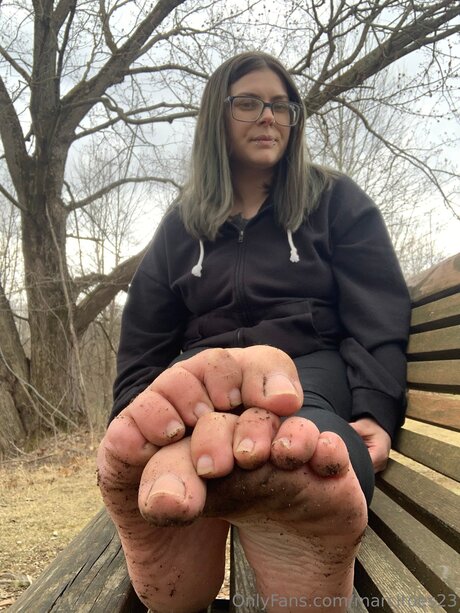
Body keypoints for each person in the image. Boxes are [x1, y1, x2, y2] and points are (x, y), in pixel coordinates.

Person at [97, 51, 411, 612]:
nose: (268, 116)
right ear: (216, 117)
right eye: (248, 103)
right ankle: (184, 535)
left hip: (305, 364)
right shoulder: (183, 224)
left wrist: (375, 408)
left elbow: (377, 310)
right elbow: (145, 333)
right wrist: (137, 418)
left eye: (281, 106)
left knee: (313, 431)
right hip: (205, 372)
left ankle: (294, 512)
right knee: (187, 418)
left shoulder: (333, 201)